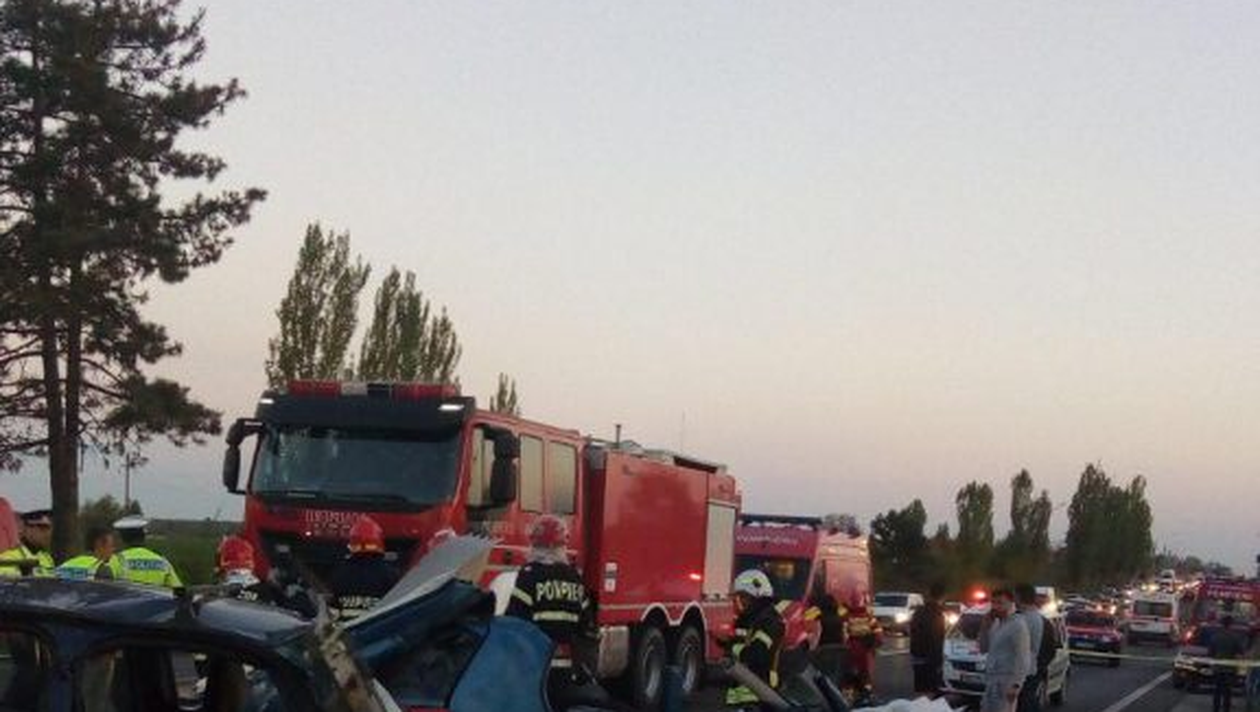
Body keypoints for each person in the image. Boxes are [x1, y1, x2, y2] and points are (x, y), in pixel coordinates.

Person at [505, 515, 597, 705]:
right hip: (566, 667)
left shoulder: (530, 574)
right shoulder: (573, 577)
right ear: (562, 545)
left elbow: (515, 620)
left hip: (535, 664)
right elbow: (587, 625)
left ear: (534, 544)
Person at [723, 569, 786, 711]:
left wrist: (732, 648)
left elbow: (756, 654)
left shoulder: (770, 621)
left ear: (757, 595)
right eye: (738, 597)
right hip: (748, 695)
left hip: (760, 694)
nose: (740, 601)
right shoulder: (753, 619)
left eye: (744, 597)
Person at [327, 515, 400, 621]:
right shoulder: (391, 574)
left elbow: (333, 610)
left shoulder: (340, 574)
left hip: (349, 628)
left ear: (352, 543)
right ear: (379, 541)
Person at [979, 588, 1031, 712]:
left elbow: (1023, 657)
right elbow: (983, 649)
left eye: (1000, 603)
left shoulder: (1018, 625)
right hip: (991, 681)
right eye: (993, 602)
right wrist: (984, 628)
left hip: (1007, 682)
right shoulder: (996, 624)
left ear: (1011, 603)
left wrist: (1016, 685)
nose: (995, 607)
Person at [114, 516, 183, 588]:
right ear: (143, 537)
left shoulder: (116, 561)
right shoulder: (162, 562)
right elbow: (178, 590)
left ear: (122, 538)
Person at [842, 592, 883, 705]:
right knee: (865, 673)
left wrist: (845, 645)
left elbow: (844, 633)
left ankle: (848, 697)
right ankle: (867, 694)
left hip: (852, 648)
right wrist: (876, 643)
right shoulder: (868, 615)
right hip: (866, 649)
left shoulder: (847, 616)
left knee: (849, 673)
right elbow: (878, 631)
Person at [1013, 583, 1047, 712]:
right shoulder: (1035, 616)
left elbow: (1017, 648)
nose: (1014, 600)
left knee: (1024, 705)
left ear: (1020, 597)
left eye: (1015, 596)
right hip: (1029, 670)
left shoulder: (1026, 619)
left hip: (1022, 672)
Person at [909, 582, 947, 697]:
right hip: (930, 659)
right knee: (931, 691)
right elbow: (936, 638)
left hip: (917, 655)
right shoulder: (937, 613)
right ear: (942, 597)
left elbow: (912, 630)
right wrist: (938, 662)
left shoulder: (919, 611)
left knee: (921, 690)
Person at [1208, 616, 1248, 712]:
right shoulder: (1235, 637)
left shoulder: (1215, 637)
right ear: (1231, 624)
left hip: (1217, 668)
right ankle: (1226, 709)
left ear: (1222, 624)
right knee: (1227, 692)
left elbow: (1210, 653)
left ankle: (1216, 709)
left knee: (1217, 691)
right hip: (1230, 669)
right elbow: (1241, 651)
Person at [0, 509, 56, 577]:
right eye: (42, 528)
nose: (48, 534)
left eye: (50, 528)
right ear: (24, 529)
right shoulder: (9, 558)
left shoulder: (46, 557)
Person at [56, 525, 123, 581]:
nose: (113, 549)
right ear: (99, 544)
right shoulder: (102, 570)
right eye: (111, 546)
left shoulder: (66, 565)